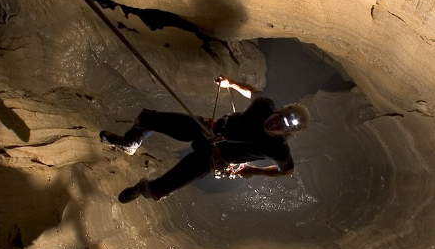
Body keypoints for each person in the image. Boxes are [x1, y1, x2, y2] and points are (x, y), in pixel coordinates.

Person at [100, 75, 310, 203]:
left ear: (287, 133)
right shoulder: (264, 106)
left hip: (214, 157)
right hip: (208, 129)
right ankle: (130, 143)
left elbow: (287, 170)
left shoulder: (278, 148)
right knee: (149, 118)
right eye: (281, 118)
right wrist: (231, 83)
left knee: (162, 188)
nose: (278, 124)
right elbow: (252, 92)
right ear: (281, 111)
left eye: (284, 127)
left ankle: (141, 188)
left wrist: (254, 171)